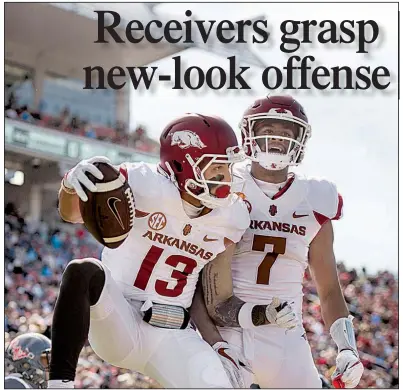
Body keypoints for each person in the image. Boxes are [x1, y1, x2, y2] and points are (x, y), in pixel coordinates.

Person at [48, 113, 289, 389]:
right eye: (216, 168)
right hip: (119, 318)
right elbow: (71, 214)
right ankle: (59, 385)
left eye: (228, 168)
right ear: (183, 165)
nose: (225, 178)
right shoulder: (144, 184)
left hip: (173, 332)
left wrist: (220, 343)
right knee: (83, 271)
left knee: (215, 383)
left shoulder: (232, 217)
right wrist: (70, 184)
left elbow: (211, 295)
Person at [192, 95, 364, 388]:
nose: (277, 139)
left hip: (285, 336)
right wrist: (213, 341)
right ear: (250, 135)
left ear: (299, 141)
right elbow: (194, 277)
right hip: (227, 327)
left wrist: (347, 347)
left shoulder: (317, 198)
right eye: (268, 130)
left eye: (286, 133)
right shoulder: (224, 185)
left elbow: (330, 290)